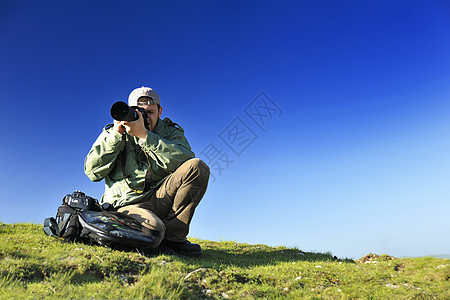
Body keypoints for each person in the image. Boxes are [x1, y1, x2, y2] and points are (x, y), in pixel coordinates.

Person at [84, 86, 210, 257]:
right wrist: (115, 137)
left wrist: (145, 136)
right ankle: (151, 236)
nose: (145, 117)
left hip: (159, 198)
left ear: (160, 111)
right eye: (139, 112)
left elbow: (185, 159)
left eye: (150, 112)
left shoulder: (170, 131)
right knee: (154, 230)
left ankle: (174, 240)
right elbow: (92, 172)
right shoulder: (113, 133)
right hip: (127, 205)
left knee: (197, 167)